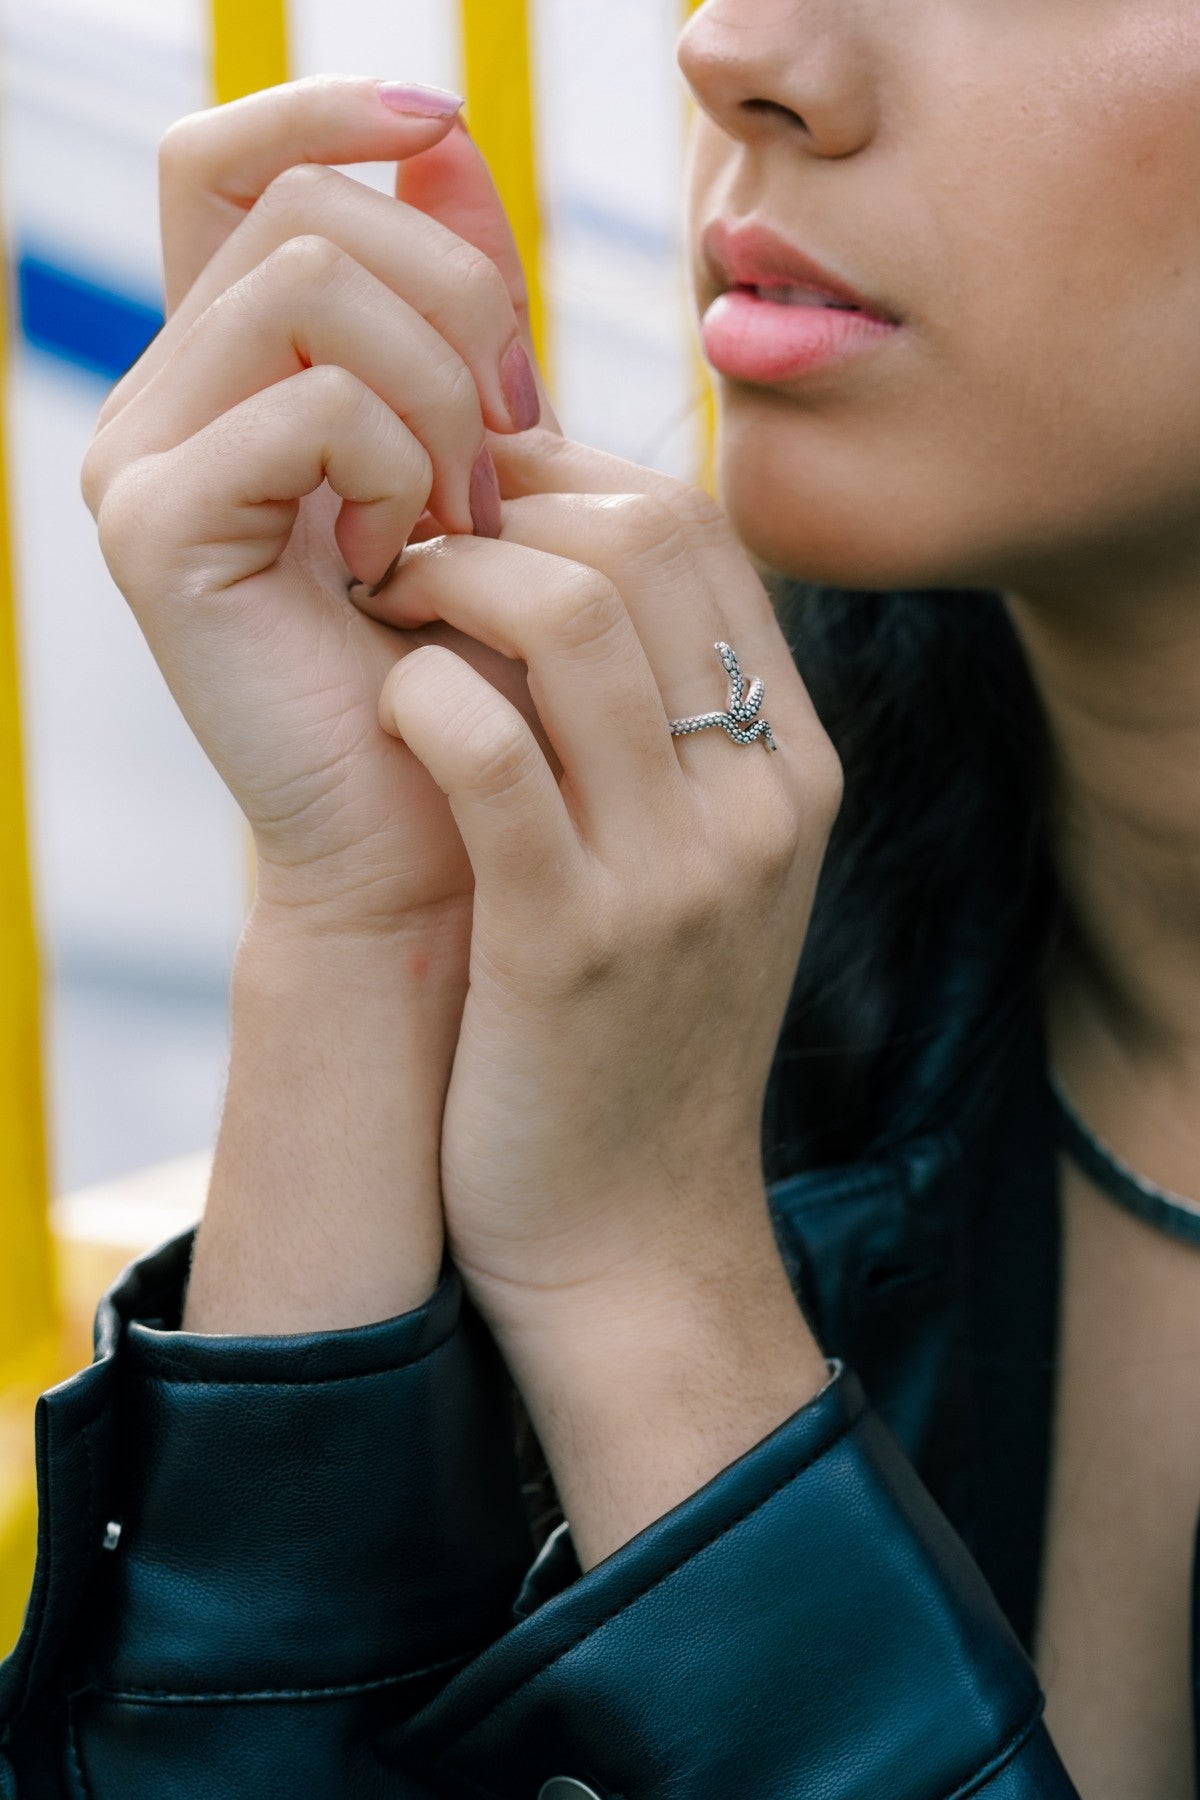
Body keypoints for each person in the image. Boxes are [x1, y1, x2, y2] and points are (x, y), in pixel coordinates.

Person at [2, 0, 1197, 1789]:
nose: (741, 46)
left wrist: (654, 1297)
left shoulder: (675, 1077)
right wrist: (370, 926)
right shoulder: (696, 944)